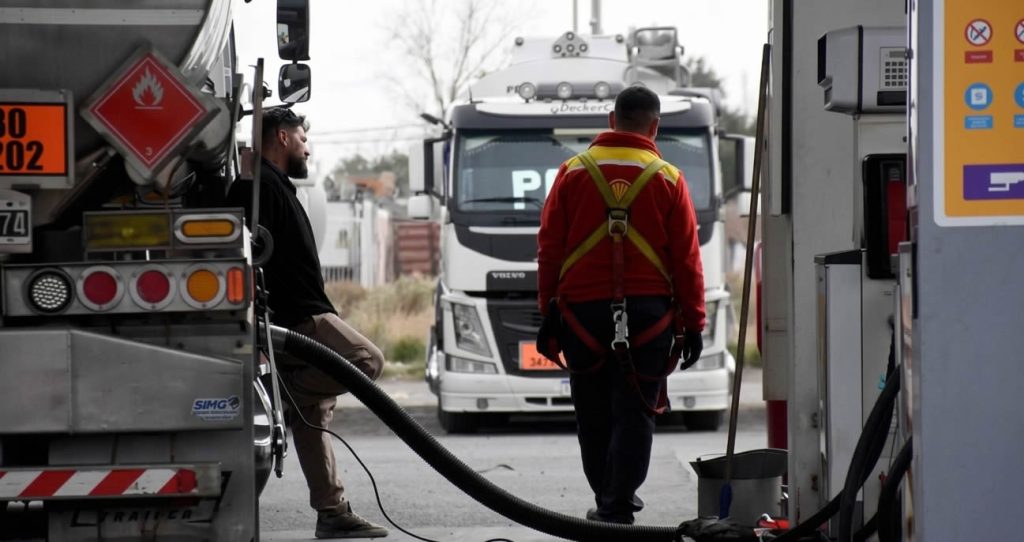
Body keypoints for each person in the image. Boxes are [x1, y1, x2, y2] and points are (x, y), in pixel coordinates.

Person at [536, 85, 706, 525]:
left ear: (612, 121)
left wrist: (548, 312)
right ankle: (618, 501)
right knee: (635, 413)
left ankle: (609, 499)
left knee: (592, 413)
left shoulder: (573, 172)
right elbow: (686, 259)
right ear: (655, 126)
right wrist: (694, 322)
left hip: (582, 316)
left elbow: (549, 248)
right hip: (650, 318)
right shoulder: (668, 177)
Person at [227, 108, 389, 539]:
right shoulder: (257, 187)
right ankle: (292, 395)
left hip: (303, 313)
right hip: (299, 318)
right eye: (301, 138)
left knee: (313, 419)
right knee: (366, 361)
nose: (306, 147)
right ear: (281, 137)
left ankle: (332, 512)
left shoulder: (274, 186)